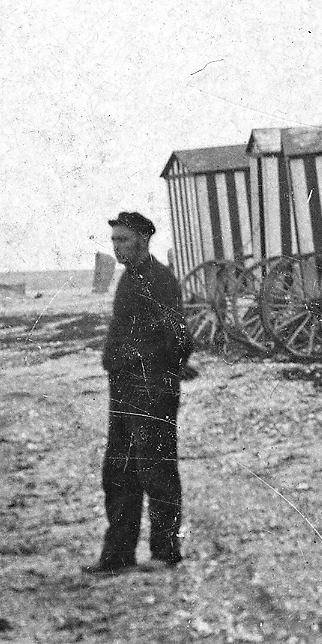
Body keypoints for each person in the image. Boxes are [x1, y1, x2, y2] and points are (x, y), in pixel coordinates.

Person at [92, 209, 189, 574]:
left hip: (151, 388)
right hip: (123, 386)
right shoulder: (129, 278)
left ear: (143, 240)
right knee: (118, 472)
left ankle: (165, 552)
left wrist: (161, 371)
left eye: (124, 240)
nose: (117, 247)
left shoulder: (160, 280)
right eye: (114, 240)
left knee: (157, 470)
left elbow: (178, 336)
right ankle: (118, 554)